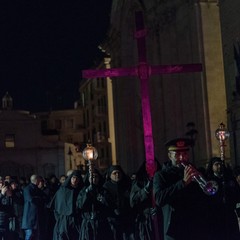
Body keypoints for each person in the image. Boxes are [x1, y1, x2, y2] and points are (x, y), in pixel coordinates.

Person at [153, 138, 210, 240]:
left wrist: (201, 180)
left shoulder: (195, 170)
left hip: (194, 226)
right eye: (177, 155)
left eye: (184, 154)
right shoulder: (161, 175)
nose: (181, 158)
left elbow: (205, 198)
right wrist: (183, 183)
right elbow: (159, 199)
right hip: (175, 229)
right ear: (170, 156)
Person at [206, 157, 240, 240]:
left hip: (229, 212)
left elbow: (237, 192)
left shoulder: (229, 178)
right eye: (216, 164)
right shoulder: (210, 180)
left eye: (220, 164)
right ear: (212, 166)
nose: (219, 166)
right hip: (216, 214)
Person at [130, 160, 162, 240]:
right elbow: (133, 201)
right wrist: (145, 190)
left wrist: (159, 208)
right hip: (146, 220)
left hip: (161, 218)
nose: (151, 167)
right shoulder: (139, 181)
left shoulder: (162, 178)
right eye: (148, 165)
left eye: (153, 165)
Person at [77, 168, 111, 240]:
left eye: (96, 177)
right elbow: (80, 205)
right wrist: (87, 193)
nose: (94, 179)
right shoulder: (83, 190)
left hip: (101, 223)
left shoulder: (103, 190)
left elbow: (108, 205)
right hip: (88, 223)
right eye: (92, 177)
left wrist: (99, 197)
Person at [103, 165, 134, 240]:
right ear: (110, 175)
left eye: (119, 173)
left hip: (127, 218)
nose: (117, 175)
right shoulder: (106, 187)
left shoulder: (127, 184)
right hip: (113, 219)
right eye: (114, 173)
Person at [51, 170, 83, 240]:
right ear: (70, 178)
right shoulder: (62, 190)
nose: (75, 180)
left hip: (77, 219)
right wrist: (60, 219)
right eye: (73, 178)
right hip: (64, 219)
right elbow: (56, 206)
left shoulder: (81, 190)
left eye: (77, 178)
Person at [21, 174, 46, 240]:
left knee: (36, 236)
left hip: (36, 218)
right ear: (36, 180)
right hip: (29, 218)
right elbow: (31, 199)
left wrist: (38, 198)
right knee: (30, 235)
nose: (41, 181)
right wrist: (39, 198)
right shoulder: (27, 189)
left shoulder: (37, 189)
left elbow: (45, 198)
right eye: (39, 180)